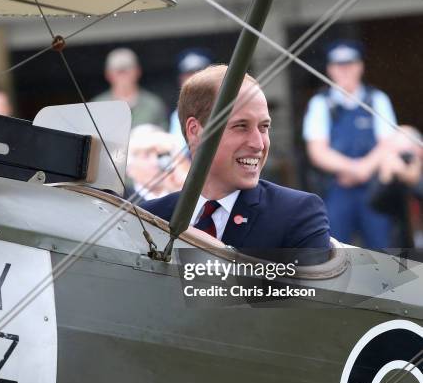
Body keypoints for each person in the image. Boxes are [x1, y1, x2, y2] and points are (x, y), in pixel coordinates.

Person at [140, 65, 330, 251]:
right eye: (241, 126)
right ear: (195, 131)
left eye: (264, 127)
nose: (258, 144)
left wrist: (213, 251)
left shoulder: (296, 213)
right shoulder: (148, 218)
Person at [303, 40, 397, 249]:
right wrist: (352, 168)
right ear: (330, 69)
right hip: (336, 188)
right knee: (335, 251)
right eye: (338, 65)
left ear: (360, 66)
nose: (344, 70)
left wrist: (364, 169)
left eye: (350, 64)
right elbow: (317, 151)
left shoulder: (377, 99)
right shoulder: (320, 103)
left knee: (382, 252)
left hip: (374, 189)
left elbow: (389, 143)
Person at [93, 48, 168, 130]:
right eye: (118, 71)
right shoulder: (96, 106)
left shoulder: (153, 104)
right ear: (108, 74)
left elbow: (164, 136)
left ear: (138, 71)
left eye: (127, 70)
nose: (123, 76)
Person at [125, 124, 190, 202]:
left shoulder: (180, 195)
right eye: (146, 156)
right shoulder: (121, 198)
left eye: (161, 155)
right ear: (128, 167)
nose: (155, 162)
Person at [169, 48, 212, 151]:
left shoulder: (222, 105)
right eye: (188, 74)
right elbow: (178, 152)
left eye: (199, 73)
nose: (193, 79)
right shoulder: (177, 115)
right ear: (180, 79)